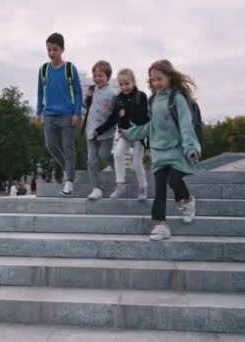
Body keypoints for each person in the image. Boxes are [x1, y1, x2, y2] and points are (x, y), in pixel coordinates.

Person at [120, 59, 201, 241]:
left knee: (174, 180)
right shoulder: (153, 100)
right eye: (153, 80)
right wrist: (130, 133)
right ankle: (160, 226)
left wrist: (190, 148)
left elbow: (186, 124)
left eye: (159, 79)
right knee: (159, 192)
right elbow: (151, 126)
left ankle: (187, 201)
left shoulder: (177, 98)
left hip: (176, 150)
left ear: (170, 78)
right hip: (158, 152)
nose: (156, 83)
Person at [35, 32, 83, 196]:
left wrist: (77, 112)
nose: (51, 53)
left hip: (67, 115)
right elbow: (40, 93)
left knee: (68, 148)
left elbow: (78, 93)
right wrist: (38, 112)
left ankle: (69, 181)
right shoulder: (44, 70)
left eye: (55, 49)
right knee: (50, 145)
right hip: (49, 114)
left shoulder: (70, 69)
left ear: (62, 49)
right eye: (49, 49)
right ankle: (66, 168)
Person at [108, 68, 149, 200]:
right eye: (121, 84)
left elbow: (142, 116)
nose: (124, 87)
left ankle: (143, 187)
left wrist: (126, 110)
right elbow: (115, 117)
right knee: (118, 154)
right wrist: (100, 130)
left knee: (136, 162)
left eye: (127, 83)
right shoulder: (118, 98)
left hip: (138, 133)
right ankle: (120, 185)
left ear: (133, 82)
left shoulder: (141, 96)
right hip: (125, 134)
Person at [82, 60, 117, 200]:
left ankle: (118, 171)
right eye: (95, 75)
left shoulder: (113, 93)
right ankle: (96, 188)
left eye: (100, 76)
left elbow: (115, 113)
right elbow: (87, 106)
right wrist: (88, 98)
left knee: (104, 154)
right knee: (91, 160)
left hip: (106, 132)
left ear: (107, 77)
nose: (97, 78)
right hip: (91, 130)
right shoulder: (91, 90)